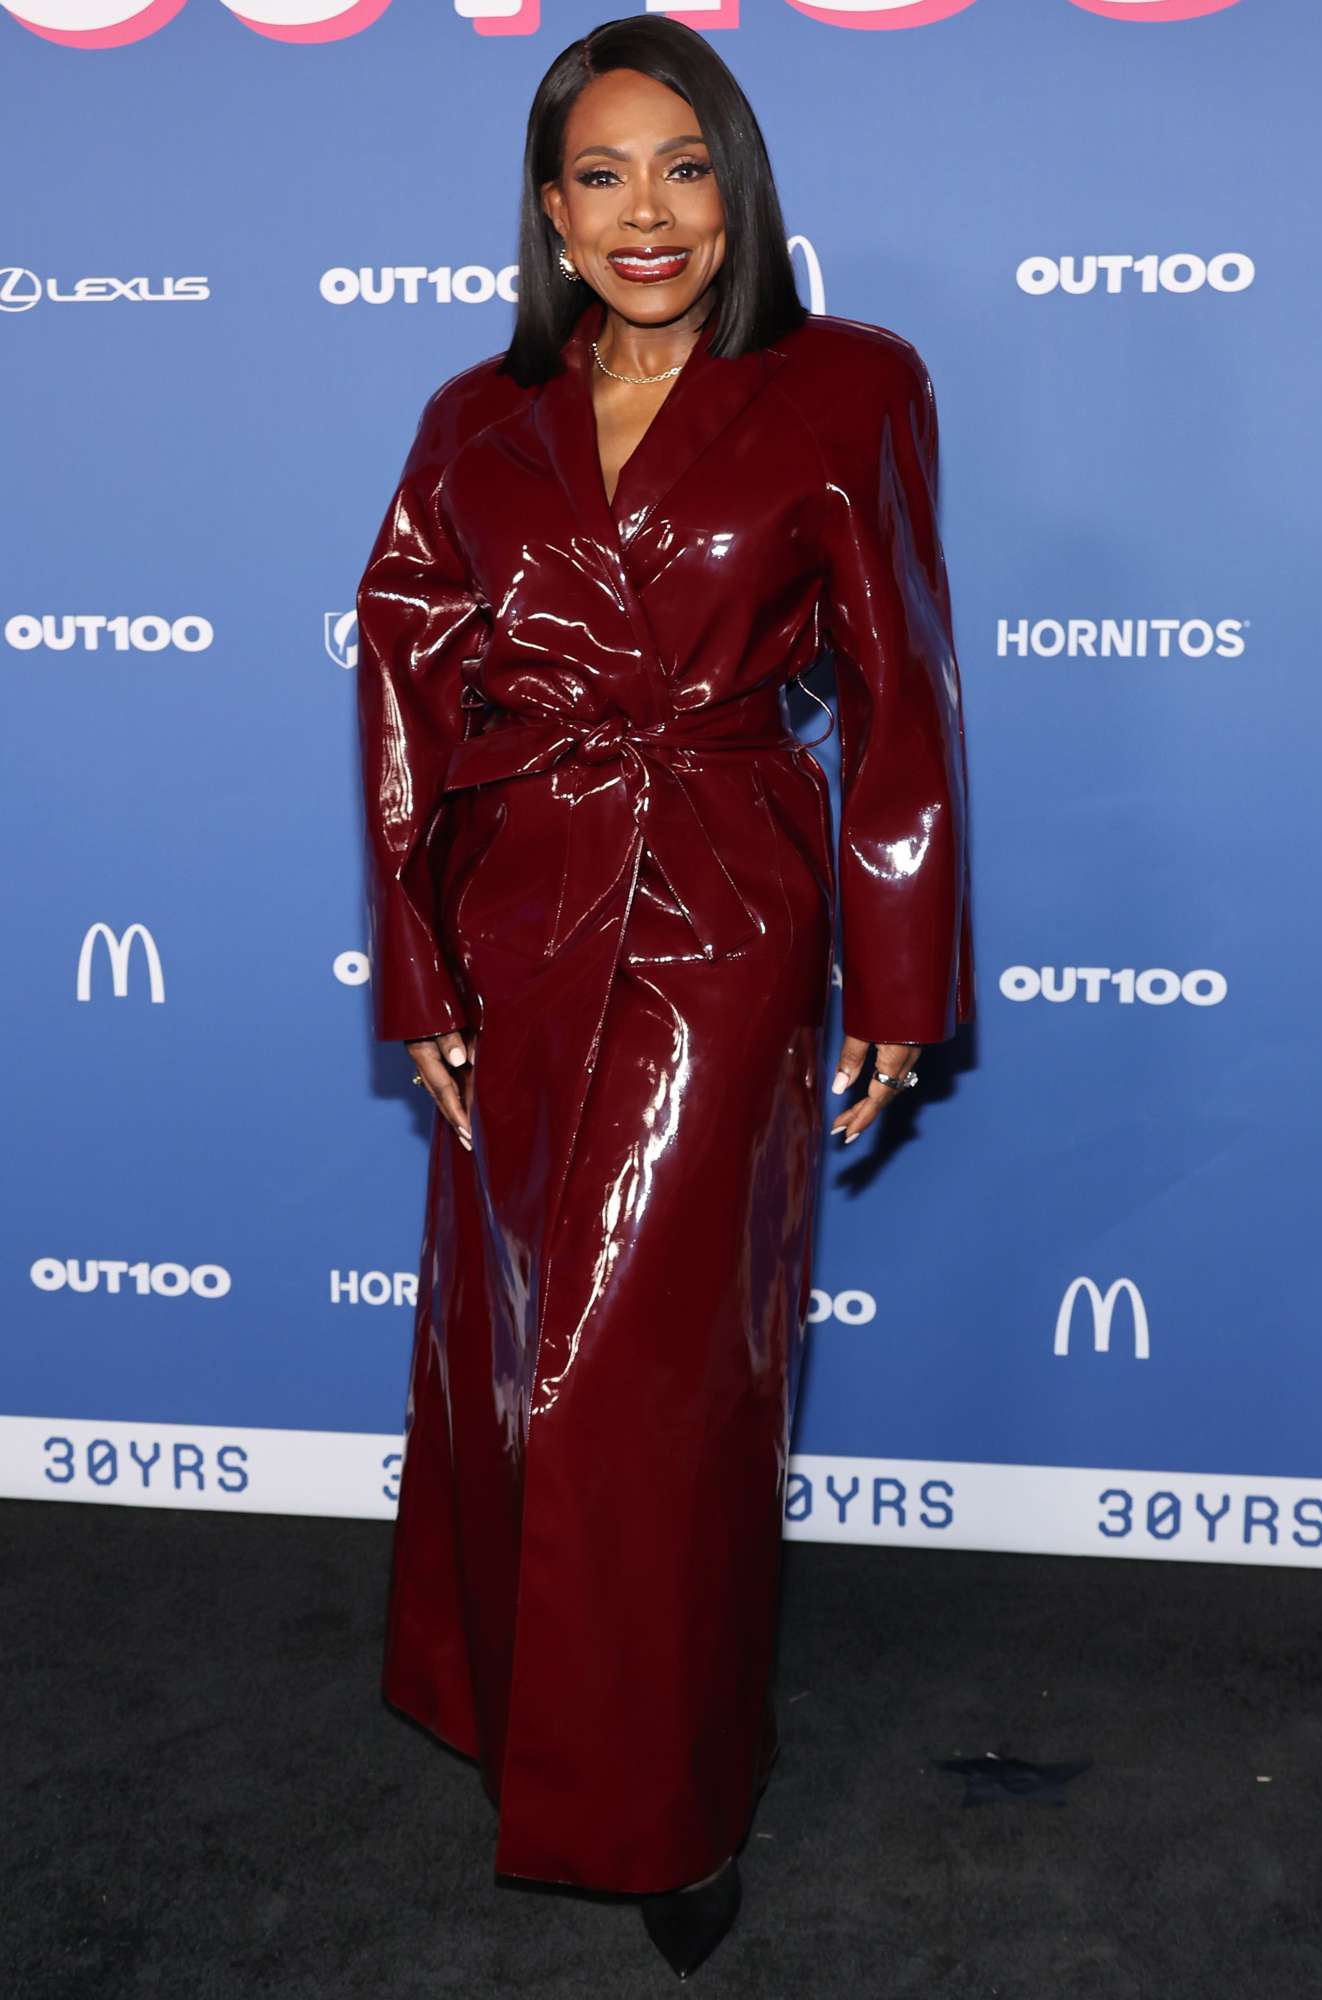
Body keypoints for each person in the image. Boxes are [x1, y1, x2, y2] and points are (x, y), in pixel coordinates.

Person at [355, 13, 974, 1979]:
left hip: (721, 907)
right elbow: (398, 686)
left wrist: (896, 962)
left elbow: (899, 683)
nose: (648, 212)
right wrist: (419, 959)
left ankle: (667, 1793)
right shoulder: (474, 415)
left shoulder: (846, 385)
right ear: (547, 211)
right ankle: (515, 1705)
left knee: (664, 1380)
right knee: (509, 1332)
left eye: (683, 167)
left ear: (738, 188)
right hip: (519, 899)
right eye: (603, 173)